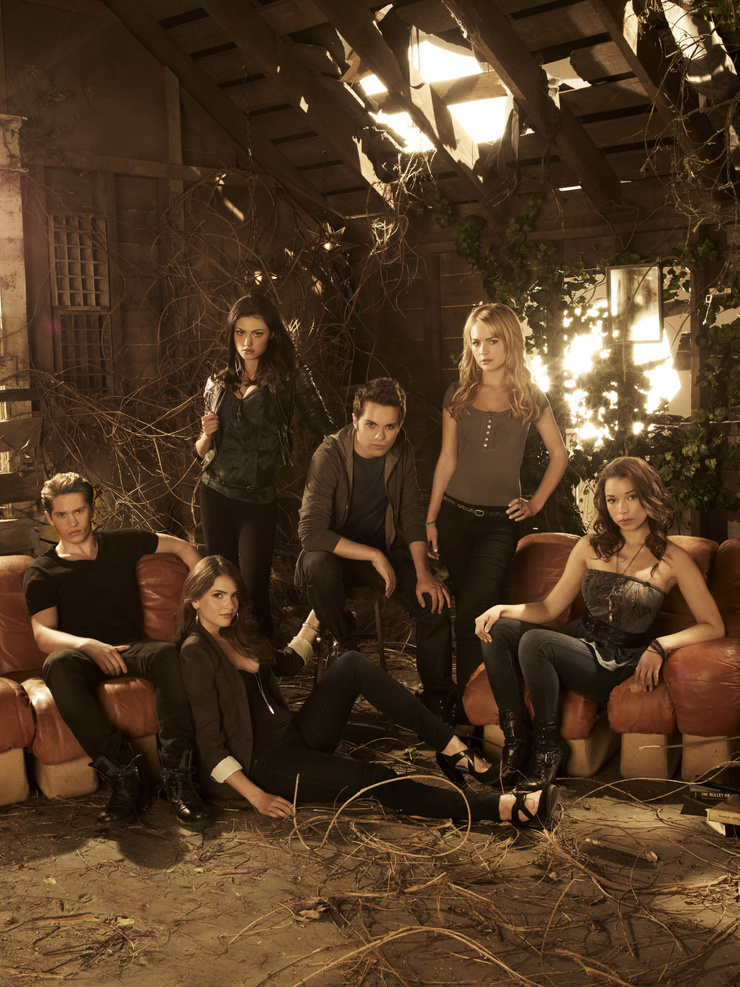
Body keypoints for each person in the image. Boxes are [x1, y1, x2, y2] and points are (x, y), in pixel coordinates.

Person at [176, 555, 558, 829]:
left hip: (296, 734)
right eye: (217, 596)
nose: (229, 605)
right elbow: (211, 747)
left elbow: (289, 662)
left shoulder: (235, 633)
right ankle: (505, 809)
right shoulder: (196, 652)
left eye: (233, 595)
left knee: (351, 664)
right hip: (266, 763)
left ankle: (453, 749)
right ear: (195, 599)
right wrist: (256, 796)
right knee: (372, 776)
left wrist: (317, 613)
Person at [474, 456, 725, 790]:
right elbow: (549, 608)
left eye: (631, 496)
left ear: (648, 496)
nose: (622, 509)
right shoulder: (589, 547)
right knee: (499, 629)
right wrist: (502, 609)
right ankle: (516, 741)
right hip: (580, 643)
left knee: (536, 642)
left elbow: (713, 625)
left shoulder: (673, 558)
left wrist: (661, 645)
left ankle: (548, 749)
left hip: (617, 662)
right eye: (612, 500)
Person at [23, 472, 211, 829]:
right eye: (61, 515)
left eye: (78, 511)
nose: (72, 522)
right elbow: (43, 634)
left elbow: (182, 548)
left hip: (132, 647)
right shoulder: (42, 571)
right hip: (82, 655)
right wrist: (87, 645)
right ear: (49, 517)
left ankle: (177, 779)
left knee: (168, 654)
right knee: (57, 664)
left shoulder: (121, 543)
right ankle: (126, 776)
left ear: (91, 510)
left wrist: (209, 589)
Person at [426, 302, 568, 718]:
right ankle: (480, 707)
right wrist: (431, 519)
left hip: (499, 525)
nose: (483, 351)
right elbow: (447, 460)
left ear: (510, 342)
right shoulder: (458, 393)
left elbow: (559, 454)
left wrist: (535, 502)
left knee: (473, 612)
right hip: (453, 517)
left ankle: (472, 710)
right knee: (474, 611)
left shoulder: (529, 395)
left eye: (492, 341)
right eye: (475, 343)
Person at [296, 377, 455, 721]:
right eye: (371, 425)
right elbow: (310, 533)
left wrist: (423, 575)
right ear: (355, 420)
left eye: (390, 427)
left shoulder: (402, 450)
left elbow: (411, 513)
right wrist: (373, 555)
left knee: (434, 603)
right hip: (335, 556)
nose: (380, 436)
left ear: (400, 425)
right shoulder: (329, 454)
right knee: (317, 565)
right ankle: (343, 637)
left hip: (383, 551)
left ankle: (438, 703)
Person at [195, 293, 336, 641]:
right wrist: (205, 435)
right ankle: (224, 659)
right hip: (214, 492)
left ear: (272, 334)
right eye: (240, 332)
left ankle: (264, 664)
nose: (247, 342)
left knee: (254, 588)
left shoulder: (290, 377)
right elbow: (201, 451)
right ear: (231, 333)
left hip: (257, 498)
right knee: (219, 587)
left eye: (257, 333)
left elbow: (326, 429)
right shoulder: (218, 381)